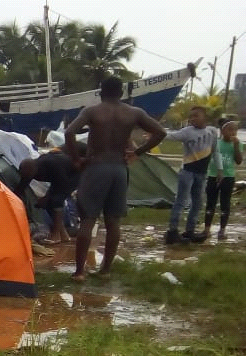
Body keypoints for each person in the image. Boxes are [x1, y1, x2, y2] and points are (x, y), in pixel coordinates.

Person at [64, 76, 166, 280]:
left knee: (87, 220)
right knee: (113, 222)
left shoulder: (91, 111)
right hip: (119, 168)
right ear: (121, 93)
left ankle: (79, 272)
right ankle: (105, 270)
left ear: (101, 92)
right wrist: (138, 152)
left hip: (96, 167)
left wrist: (77, 159)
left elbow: (69, 132)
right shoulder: (134, 112)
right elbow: (160, 131)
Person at [163, 106, 219, 244]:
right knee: (181, 201)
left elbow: (216, 151)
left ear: (204, 117)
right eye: (191, 116)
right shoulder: (187, 131)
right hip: (187, 172)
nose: (193, 119)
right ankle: (172, 231)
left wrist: (220, 169)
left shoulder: (212, 132)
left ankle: (190, 231)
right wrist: (155, 131)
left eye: (196, 115)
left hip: (202, 173)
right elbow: (170, 136)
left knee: (197, 203)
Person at [16, 146, 79, 245]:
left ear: (35, 169)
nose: (29, 178)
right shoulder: (30, 171)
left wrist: (46, 197)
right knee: (49, 203)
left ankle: (56, 235)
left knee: (56, 201)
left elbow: (60, 185)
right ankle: (64, 235)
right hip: (59, 180)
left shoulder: (52, 164)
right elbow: (20, 188)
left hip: (73, 175)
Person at [204, 120, 242, 240]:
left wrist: (236, 146)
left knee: (225, 203)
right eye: (230, 129)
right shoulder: (216, 143)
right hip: (213, 176)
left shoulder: (237, 144)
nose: (233, 132)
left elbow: (239, 161)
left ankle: (222, 230)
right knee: (211, 203)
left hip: (228, 177)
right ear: (222, 131)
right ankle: (206, 229)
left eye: (235, 130)